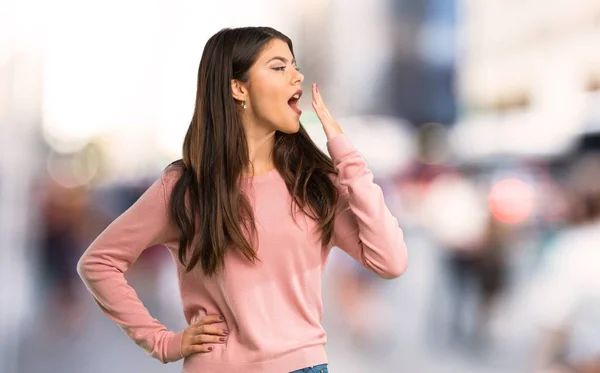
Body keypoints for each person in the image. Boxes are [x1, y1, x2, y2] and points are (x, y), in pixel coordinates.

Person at [77, 26, 408, 373]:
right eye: (279, 67)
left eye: (294, 65)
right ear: (238, 87)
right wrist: (162, 342)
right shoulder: (185, 187)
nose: (297, 75)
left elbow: (391, 260)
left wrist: (346, 156)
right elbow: (98, 263)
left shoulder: (314, 184)